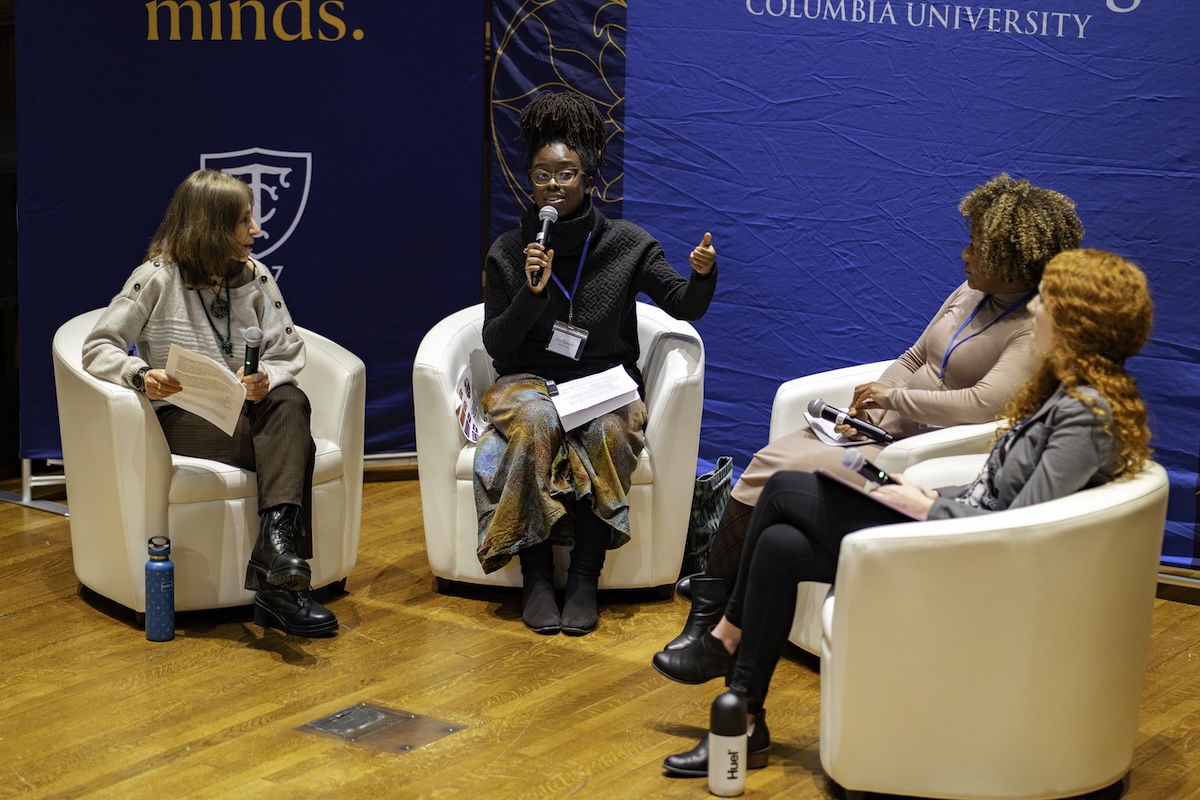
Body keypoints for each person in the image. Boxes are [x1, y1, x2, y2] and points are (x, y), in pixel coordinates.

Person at [661, 248, 1154, 776]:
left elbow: (1022, 525)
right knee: (786, 540)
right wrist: (912, 491)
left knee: (783, 488)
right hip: (952, 524)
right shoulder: (1064, 393)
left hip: (964, 553)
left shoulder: (1084, 414)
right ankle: (747, 724)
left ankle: (724, 634)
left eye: (1048, 302)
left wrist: (926, 507)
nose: (1035, 310)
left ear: (1079, 322)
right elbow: (996, 490)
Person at [654, 174, 1085, 682]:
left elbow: (981, 404)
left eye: (977, 246)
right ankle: (717, 602)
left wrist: (892, 400)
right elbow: (913, 356)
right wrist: (871, 407)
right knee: (769, 461)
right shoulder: (969, 293)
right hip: (881, 431)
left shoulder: (1030, 328)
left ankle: (712, 614)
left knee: (777, 474)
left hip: (916, 452)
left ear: (1011, 260)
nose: (964, 253)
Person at [474, 91, 718, 636]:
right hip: (527, 382)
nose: (553, 185)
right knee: (537, 420)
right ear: (528, 182)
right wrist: (532, 296)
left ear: (589, 177)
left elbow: (683, 306)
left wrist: (701, 275)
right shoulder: (510, 251)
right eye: (542, 175)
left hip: (600, 384)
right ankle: (536, 577)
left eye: (566, 173)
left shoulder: (627, 245)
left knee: (608, 429)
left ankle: (585, 576)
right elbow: (497, 345)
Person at [82, 169, 337, 638]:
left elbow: (288, 350)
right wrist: (141, 375)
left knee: (289, 401)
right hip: (183, 414)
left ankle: (274, 556)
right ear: (212, 227)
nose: (256, 231)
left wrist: (265, 377)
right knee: (293, 444)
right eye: (244, 222)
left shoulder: (256, 276)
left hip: (245, 408)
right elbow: (99, 346)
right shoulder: (156, 278)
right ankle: (284, 592)